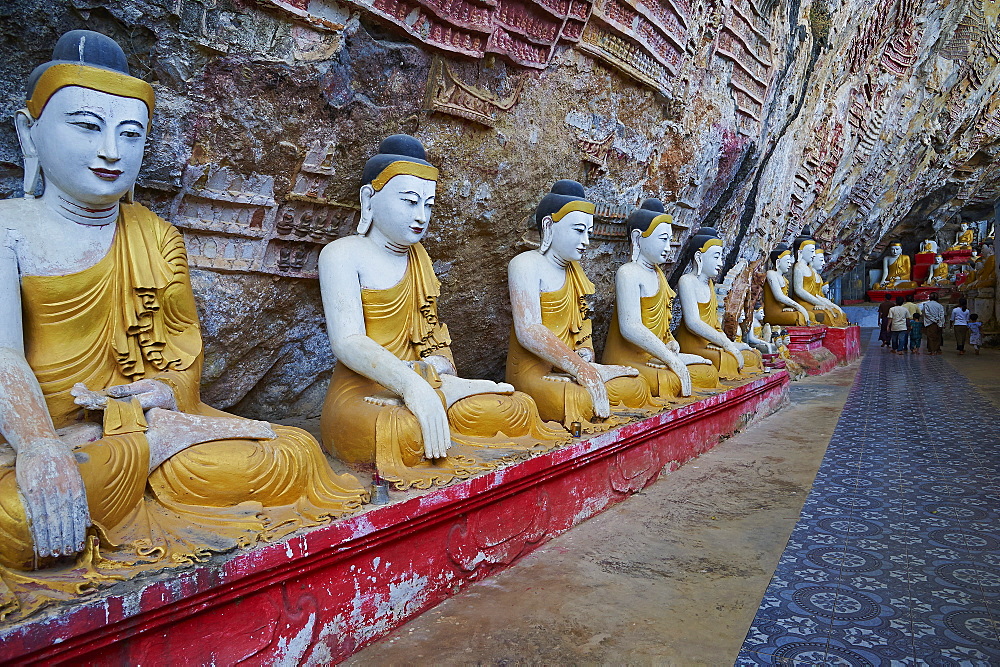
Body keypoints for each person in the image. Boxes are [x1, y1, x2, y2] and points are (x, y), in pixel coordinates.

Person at [0, 30, 368, 618]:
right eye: (87, 126)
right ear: (29, 135)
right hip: (41, 440)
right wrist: (41, 445)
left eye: (131, 133)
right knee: (15, 520)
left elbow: (179, 353)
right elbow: (3, 357)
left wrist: (166, 394)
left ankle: (148, 447)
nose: (111, 152)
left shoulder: (155, 235)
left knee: (294, 453)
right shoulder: (8, 230)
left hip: (141, 428)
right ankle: (140, 450)